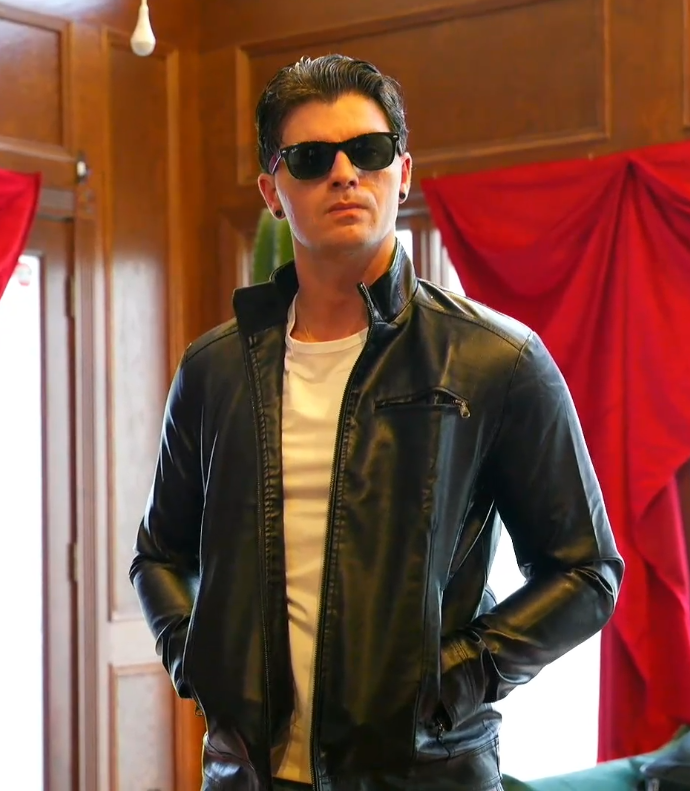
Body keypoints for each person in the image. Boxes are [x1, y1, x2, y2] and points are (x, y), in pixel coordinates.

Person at [130, 54, 624, 791]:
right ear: (272, 190)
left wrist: (450, 681)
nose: (344, 173)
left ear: (403, 171)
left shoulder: (496, 360)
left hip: (428, 774)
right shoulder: (214, 370)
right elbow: (160, 554)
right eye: (311, 158)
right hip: (246, 776)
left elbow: (587, 571)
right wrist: (193, 659)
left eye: (368, 150)